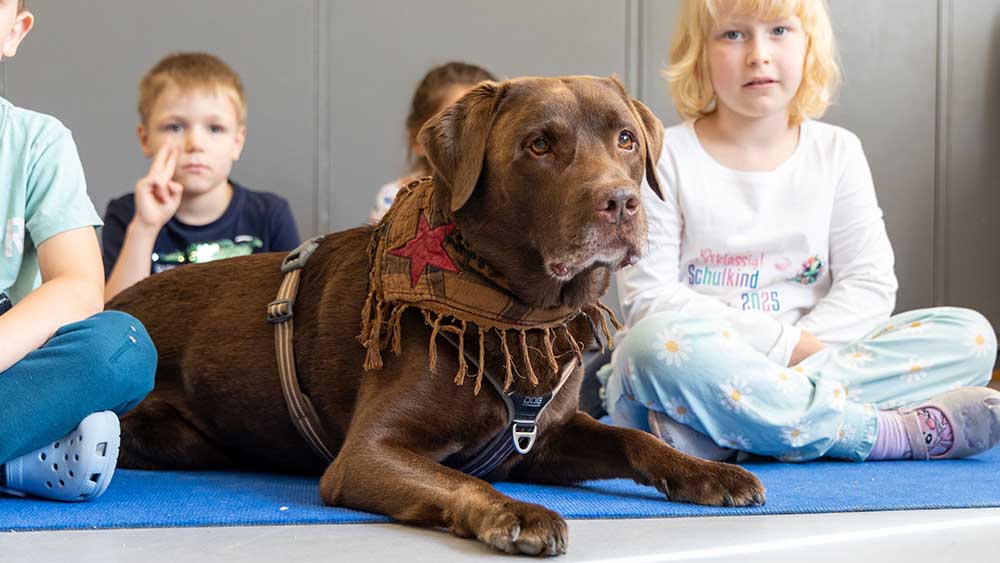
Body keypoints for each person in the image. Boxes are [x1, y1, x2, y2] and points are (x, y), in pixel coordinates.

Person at [602, 0, 1000, 463]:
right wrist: (783, 346)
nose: (758, 54)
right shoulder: (665, 157)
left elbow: (868, 284)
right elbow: (649, 299)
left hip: (819, 349)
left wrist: (799, 357)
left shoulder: (837, 151)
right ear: (698, 53)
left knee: (971, 337)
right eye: (733, 35)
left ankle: (734, 431)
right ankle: (887, 433)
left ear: (810, 45)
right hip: (699, 361)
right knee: (649, 348)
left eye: (779, 31)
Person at [0, 0, 156, 501]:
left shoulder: (37, 141)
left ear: (14, 32)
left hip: (10, 350)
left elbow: (78, 287)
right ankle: (17, 462)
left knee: (120, 348)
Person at [103, 52, 300, 301]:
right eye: (175, 127)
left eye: (214, 128)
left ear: (237, 142)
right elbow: (112, 320)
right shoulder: (128, 214)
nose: (195, 144)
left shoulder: (270, 215)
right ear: (145, 139)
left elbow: (295, 309)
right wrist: (145, 227)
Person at [367, 61, 496, 224]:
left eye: (486, 127)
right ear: (417, 140)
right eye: (458, 129)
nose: (476, 143)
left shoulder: (504, 199)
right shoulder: (393, 201)